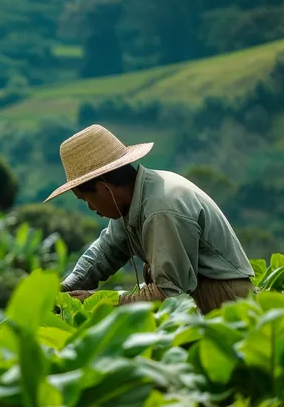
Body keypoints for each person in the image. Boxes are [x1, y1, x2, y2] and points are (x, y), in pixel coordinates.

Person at [44, 124, 254, 314]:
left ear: (103, 187)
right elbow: (106, 251)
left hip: (224, 301)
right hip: (199, 297)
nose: (90, 207)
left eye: (86, 199)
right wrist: (65, 288)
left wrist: (98, 302)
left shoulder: (162, 208)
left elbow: (170, 294)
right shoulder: (132, 200)